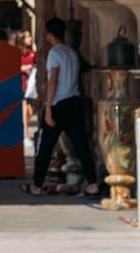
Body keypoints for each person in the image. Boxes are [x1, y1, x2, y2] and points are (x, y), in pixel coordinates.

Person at [20, 16, 100, 198]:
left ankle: (36, 185)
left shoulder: (55, 53)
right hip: (74, 102)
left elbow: (53, 80)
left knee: (45, 148)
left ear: (49, 34)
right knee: (81, 146)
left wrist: (48, 108)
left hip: (59, 104)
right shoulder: (72, 52)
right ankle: (93, 184)